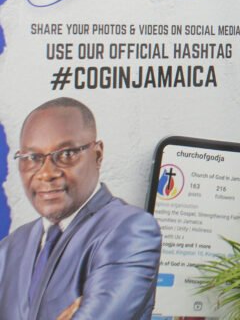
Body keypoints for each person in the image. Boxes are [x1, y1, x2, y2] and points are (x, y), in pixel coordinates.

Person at [0, 97, 162, 320]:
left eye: (66, 154)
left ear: (97, 155)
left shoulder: (131, 230)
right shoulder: (10, 247)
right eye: (32, 157)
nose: (46, 173)